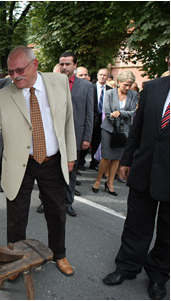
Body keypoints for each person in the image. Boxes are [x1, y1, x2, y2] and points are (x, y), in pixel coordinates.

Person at [0, 45, 77, 277]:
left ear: (34, 65)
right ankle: (15, 259)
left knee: (57, 211)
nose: (14, 76)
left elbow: (68, 121)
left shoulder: (59, 83)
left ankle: (59, 253)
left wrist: (71, 155)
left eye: (19, 70)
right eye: (10, 71)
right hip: (20, 162)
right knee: (16, 216)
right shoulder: (2, 97)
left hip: (53, 160)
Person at [102, 74, 169, 300]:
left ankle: (159, 275)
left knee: (168, 233)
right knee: (136, 223)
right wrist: (127, 160)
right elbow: (137, 126)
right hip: (145, 168)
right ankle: (127, 267)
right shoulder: (153, 88)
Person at [56, 52, 94, 217]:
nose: (64, 67)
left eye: (68, 64)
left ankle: (67, 203)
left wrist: (87, 138)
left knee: (70, 172)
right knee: (50, 172)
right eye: (62, 64)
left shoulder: (86, 87)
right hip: (54, 136)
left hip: (75, 136)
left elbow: (89, 113)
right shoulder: (53, 84)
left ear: (75, 65)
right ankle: (46, 201)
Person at [92, 71, 138, 196]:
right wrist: (117, 115)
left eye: (130, 85)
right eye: (125, 85)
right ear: (119, 82)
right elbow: (107, 112)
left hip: (124, 130)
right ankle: (98, 180)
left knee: (117, 157)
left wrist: (119, 113)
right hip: (109, 128)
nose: (127, 88)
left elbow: (132, 112)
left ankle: (110, 183)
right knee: (106, 156)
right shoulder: (109, 93)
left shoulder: (133, 95)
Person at [81, 68, 113, 170]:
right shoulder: (91, 87)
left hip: (104, 119)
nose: (102, 77)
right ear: (97, 76)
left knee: (98, 141)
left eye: (105, 75)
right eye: (101, 75)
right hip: (91, 117)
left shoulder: (110, 90)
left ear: (107, 77)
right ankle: (81, 162)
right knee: (86, 139)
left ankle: (94, 163)